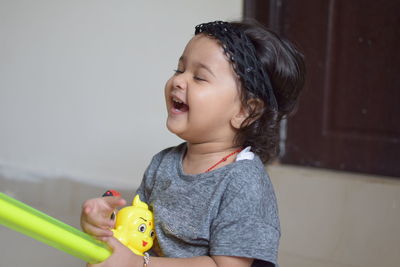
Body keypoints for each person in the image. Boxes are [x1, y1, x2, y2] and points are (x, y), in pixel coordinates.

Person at [80, 20, 305, 267]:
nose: (179, 81)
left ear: (245, 111)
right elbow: (140, 232)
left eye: (199, 77)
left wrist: (138, 264)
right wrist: (105, 225)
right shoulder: (163, 163)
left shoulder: (243, 182)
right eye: (179, 70)